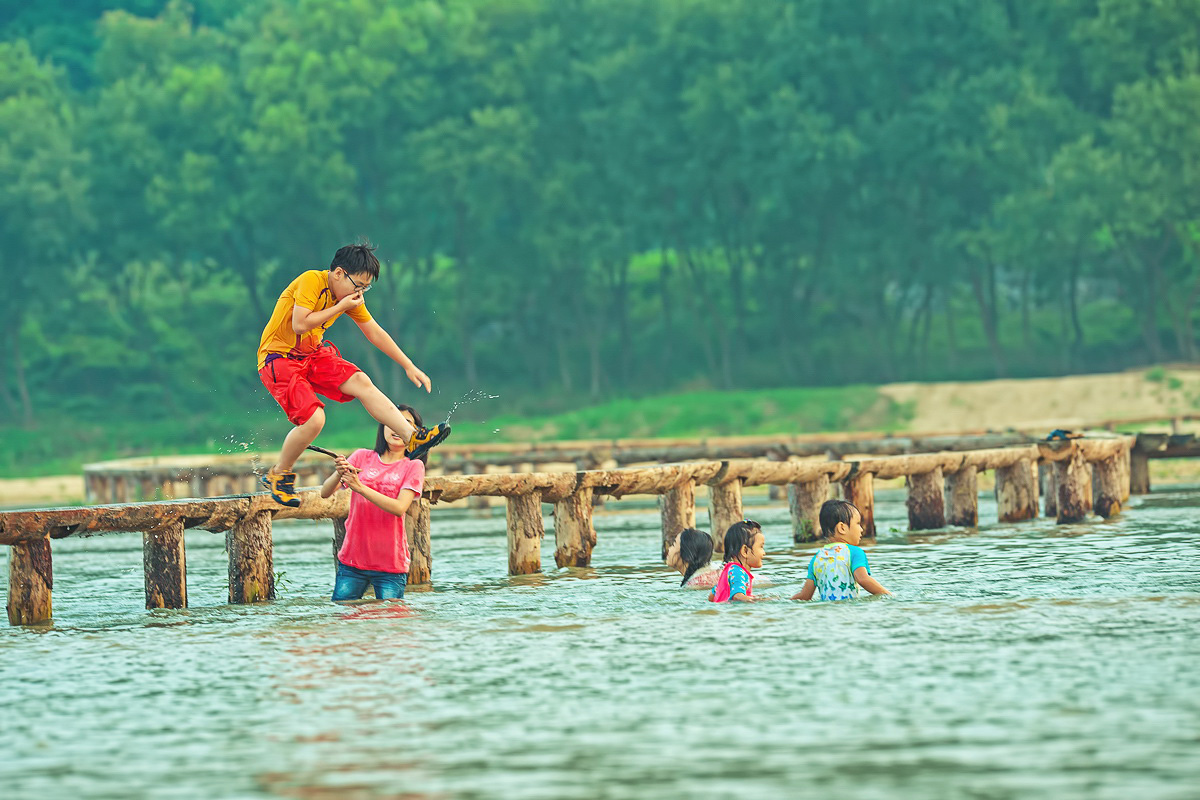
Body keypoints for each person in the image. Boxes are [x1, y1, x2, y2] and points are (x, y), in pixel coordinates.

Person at [257, 241, 450, 507]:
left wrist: (408, 365)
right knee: (314, 420)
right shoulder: (311, 281)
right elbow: (299, 323)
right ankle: (280, 474)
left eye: (365, 287)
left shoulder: (349, 296)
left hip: (312, 354)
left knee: (360, 381)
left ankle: (411, 437)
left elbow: (374, 332)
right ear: (338, 273)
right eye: (357, 284)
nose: (360, 292)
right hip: (279, 358)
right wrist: (341, 306)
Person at [320, 402, 427, 601]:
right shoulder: (362, 456)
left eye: (406, 423)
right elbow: (326, 492)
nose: (397, 427)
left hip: (390, 565)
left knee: (390, 624)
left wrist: (359, 487)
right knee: (343, 619)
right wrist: (339, 472)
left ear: (416, 432)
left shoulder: (413, 466)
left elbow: (399, 507)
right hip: (352, 561)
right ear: (383, 425)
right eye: (392, 420)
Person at [792, 499, 891, 601]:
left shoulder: (817, 558)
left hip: (825, 613)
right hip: (848, 612)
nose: (861, 529)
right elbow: (863, 579)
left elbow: (805, 596)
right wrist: (889, 595)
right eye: (857, 524)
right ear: (842, 528)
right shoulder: (854, 552)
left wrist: (785, 600)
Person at [709, 520, 765, 603]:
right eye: (761, 547)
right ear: (745, 551)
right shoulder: (738, 572)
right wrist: (760, 601)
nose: (764, 553)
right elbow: (737, 596)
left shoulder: (729, 570)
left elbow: (712, 596)